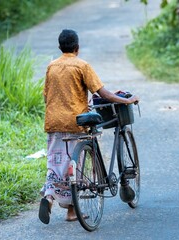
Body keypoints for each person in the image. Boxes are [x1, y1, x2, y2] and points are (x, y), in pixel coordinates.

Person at [39, 29, 139, 224]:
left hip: (54, 122)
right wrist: (127, 100)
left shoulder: (51, 66)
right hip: (77, 122)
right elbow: (104, 94)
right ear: (77, 48)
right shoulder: (82, 65)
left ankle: (52, 198)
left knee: (57, 163)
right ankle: (70, 208)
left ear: (60, 47)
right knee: (77, 164)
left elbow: (45, 96)